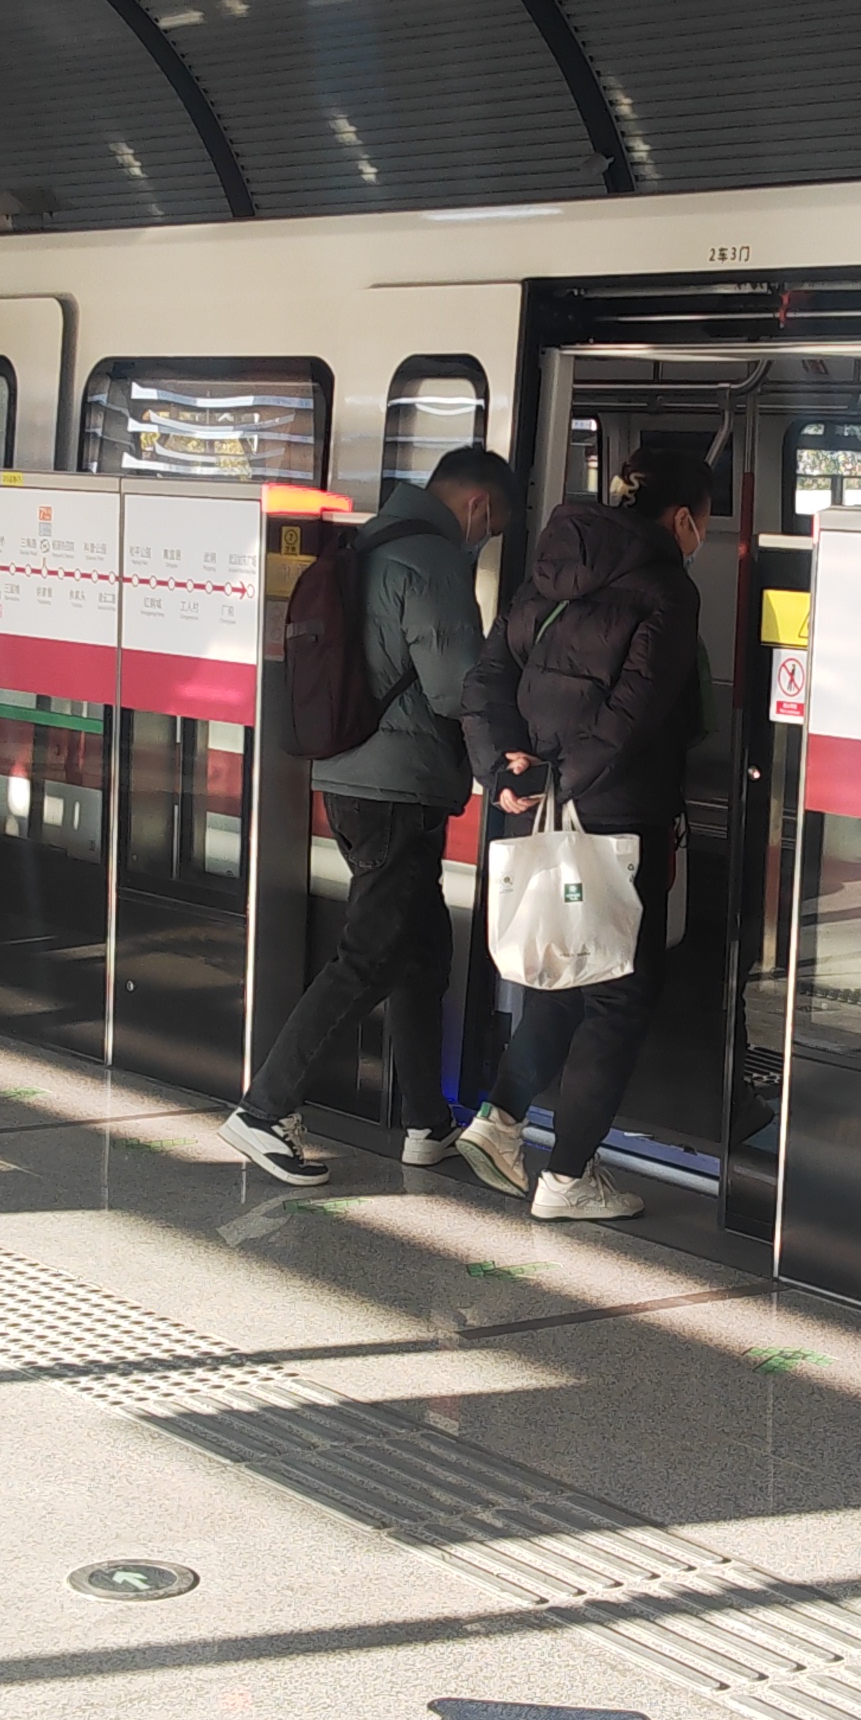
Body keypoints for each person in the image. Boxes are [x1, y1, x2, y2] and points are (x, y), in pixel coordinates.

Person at [220, 446, 519, 1182]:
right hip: (396, 787)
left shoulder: (372, 543)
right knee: (370, 956)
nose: (486, 540)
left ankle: (427, 1121)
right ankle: (264, 1111)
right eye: (492, 527)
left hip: (355, 773)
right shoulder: (434, 561)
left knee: (422, 957)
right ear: (479, 506)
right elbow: (455, 689)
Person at [454, 444, 711, 1222]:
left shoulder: (550, 569)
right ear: (682, 518)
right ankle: (567, 1177)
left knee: (570, 970)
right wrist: (561, 779)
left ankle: (500, 1120)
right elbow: (633, 715)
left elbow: (486, 679)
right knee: (621, 995)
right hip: (619, 817)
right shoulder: (668, 589)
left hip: (542, 803)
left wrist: (505, 769)